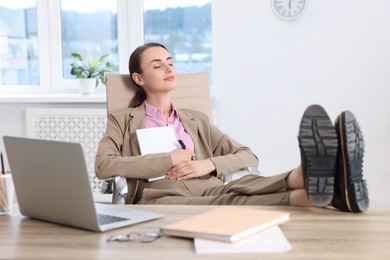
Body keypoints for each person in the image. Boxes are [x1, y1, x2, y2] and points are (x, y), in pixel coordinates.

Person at [95, 43, 369, 213]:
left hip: (209, 185)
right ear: (138, 77)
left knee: (249, 184)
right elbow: (104, 166)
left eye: (170, 62)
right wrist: (168, 159)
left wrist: (208, 165)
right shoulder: (123, 119)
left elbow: (248, 156)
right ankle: (334, 184)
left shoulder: (195, 119)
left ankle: (318, 181)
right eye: (158, 65)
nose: (168, 68)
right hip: (162, 196)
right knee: (233, 202)